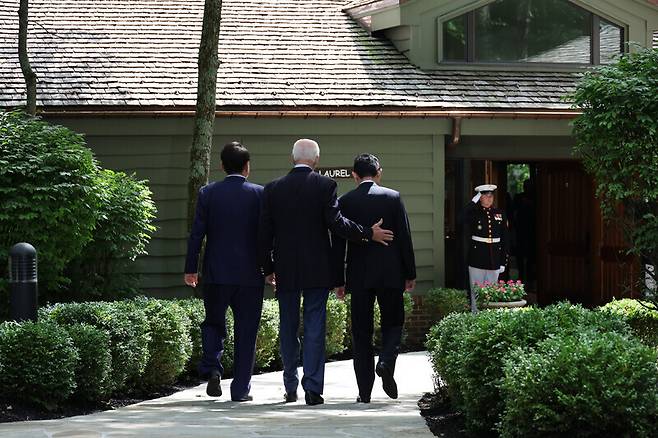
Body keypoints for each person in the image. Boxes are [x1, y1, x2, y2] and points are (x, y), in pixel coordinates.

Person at [258, 139, 394, 406]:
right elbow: (336, 223)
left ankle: (290, 386)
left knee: (287, 327)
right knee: (314, 327)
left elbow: (264, 233)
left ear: (292, 158)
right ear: (316, 160)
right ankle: (312, 388)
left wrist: (268, 268)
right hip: (317, 268)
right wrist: (368, 233)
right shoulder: (325, 185)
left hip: (285, 267)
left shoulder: (272, 189)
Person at [332, 154, 416, 403]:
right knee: (393, 322)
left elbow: (338, 245)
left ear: (354, 175)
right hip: (390, 273)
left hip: (358, 276)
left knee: (361, 333)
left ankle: (365, 392)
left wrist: (339, 279)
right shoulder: (393, 197)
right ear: (379, 172)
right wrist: (409, 273)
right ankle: (387, 360)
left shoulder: (345, 201)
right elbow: (404, 237)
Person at [184, 142, 264, 402]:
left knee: (213, 322)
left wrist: (190, 268)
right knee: (247, 331)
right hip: (251, 275)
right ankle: (240, 389)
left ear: (221, 165)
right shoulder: (259, 194)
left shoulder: (208, 193)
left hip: (216, 272)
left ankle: (213, 368)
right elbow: (266, 238)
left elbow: (197, 235)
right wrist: (271, 268)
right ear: (247, 167)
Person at [461, 184, 509, 313]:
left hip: (494, 257)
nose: (489, 198)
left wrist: (503, 261)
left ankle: (489, 317)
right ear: (480, 198)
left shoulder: (499, 213)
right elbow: (461, 217)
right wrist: (473, 201)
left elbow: (505, 239)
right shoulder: (474, 213)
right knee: (476, 290)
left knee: (491, 291)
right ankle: (476, 316)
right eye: (486, 196)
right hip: (477, 257)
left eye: (491, 196)